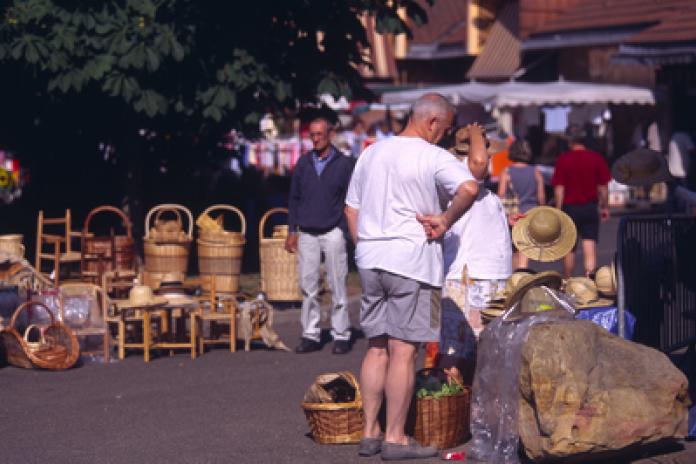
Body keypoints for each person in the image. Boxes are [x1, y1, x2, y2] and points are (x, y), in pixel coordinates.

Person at [344, 93, 480, 460]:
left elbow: (351, 207)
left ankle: (370, 432)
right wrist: (445, 220)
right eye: (446, 128)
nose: (445, 135)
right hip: (411, 260)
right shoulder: (432, 155)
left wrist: (366, 245)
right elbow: (470, 188)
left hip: (371, 259)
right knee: (403, 351)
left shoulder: (371, 152)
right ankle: (395, 438)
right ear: (433, 122)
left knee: (376, 347)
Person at [438, 125, 512, 384]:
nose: (488, 160)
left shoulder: (480, 192)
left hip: (481, 276)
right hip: (472, 279)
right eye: (485, 153)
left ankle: (466, 408)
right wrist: (475, 133)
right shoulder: (463, 182)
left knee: (474, 349)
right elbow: (478, 163)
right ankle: (456, 409)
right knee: (461, 350)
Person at [285, 117, 355, 355]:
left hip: (333, 230)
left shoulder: (345, 164)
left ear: (330, 134)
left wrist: (345, 229)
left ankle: (342, 334)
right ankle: (310, 334)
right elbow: (294, 198)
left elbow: (352, 199)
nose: (315, 139)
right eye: (312, 135)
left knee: (338, 283)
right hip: (307, 231)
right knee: (308, 286)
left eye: (319, 135)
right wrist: (291, 230)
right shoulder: (304, 163)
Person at [551, 124, 611, 278]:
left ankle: (568, 280)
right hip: (590, 207)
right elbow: (603, 187)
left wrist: (558, 209)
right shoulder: (596, 158)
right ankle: (589, 281)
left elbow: (559, 188)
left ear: (570, 141)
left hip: (570, 208)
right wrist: (605, 206)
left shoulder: (563, 160)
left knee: (569, 247)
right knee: (589, 244)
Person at [498, 139, 545, 269]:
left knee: (514, 248)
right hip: (530, 212)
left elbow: (501, 194)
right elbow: (541, 195)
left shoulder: (506, 171)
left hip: (513, 214)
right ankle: (522, 272)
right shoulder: (535, 171)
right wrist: (543, 209)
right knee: (525, 248)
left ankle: (515, 276)